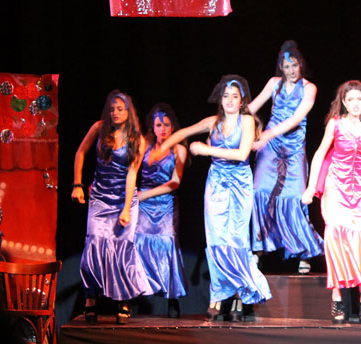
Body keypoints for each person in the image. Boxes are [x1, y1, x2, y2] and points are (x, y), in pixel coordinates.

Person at [149, 75, 270, 322]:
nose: (230, 101)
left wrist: (206, 150)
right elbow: (183, 132)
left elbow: (242, 154)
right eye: (226, 96)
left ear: (242, 101)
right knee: (216, 238)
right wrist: (162, 148)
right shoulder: (212, 122)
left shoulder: (247, 121)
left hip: (239, 183)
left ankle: (241, 295)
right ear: (220, 100)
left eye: (234, 97)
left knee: (236, 238)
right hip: (216, 183)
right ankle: (219, 295)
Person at [302, 80, 361, 324]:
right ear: (344, 102)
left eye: (359, 99)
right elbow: (320, 153)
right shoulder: (335, 124)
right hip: (336, 187)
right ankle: (336, 296)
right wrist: (311, 187)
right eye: (350, 100)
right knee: (335, 239)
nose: (355, 104)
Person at [71, 90, 151, 325]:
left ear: (128, 112)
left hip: (124, 200)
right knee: (94, 245)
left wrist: (126, 209)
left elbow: (132, 174)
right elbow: (80, 152)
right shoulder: (99, 128)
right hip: (100, 198)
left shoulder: (137, 139)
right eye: (112, 108)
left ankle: (123, 301)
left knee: (122, 249)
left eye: (120, 109)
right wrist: (77, 184)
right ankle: (90, 299)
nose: (115, 113)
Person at [248, 41, 323, 274]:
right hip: (270, 147)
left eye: (294, 65)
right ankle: (259, 248)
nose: (291, 70)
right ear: (281, 67)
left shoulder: (309, 88)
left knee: (294, 197)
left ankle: (303, 251)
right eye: (286, 66)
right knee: (260, 191)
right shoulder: (274, 83)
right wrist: (228, 123)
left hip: (293, 148)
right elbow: (250, 109)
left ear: (301, 65)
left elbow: (296, 118)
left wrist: (267, 134)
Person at [135, 103, 188, 318]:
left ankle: (172, 299)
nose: (163, 129)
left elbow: (175, 182)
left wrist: (145, 195)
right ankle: (136, 296)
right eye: (159, 125)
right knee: (138, 244)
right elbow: (131, 171)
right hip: (143, 206)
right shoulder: (145, 146)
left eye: (166, 124)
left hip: (165, 204)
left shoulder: (179, 149)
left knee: (167, 244)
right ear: (153, 127)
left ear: (173, 127)